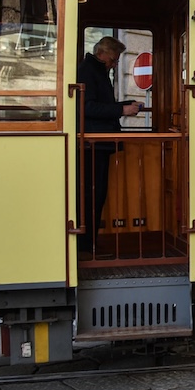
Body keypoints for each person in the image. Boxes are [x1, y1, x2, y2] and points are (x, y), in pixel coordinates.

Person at [77, 36, 141, 257]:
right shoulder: (89, 71)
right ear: (101, 53)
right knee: (92, 195)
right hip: (93, 143)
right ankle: (86, 247)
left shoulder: (95, 71)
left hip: (97, 143)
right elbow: (87, 108)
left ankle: (89, 245)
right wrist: (122, 111)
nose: (114, 65)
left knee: (96, 194)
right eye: (113, 60)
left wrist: (124, 106)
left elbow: (100, 105)